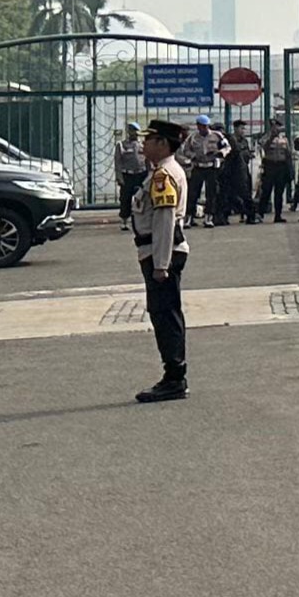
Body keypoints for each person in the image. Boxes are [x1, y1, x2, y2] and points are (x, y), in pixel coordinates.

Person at [130, 118, 193, 403]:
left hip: (161, 253)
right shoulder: (161, 171)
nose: (143, 144)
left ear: (162, 143)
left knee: (165, 315)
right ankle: (174, 375)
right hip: (159, 252)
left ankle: (174, 378)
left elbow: (165, 221)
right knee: (165, 313)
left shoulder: (163, 175)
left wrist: (161, 264)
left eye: (149, 140)